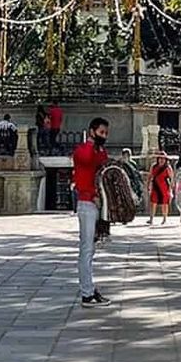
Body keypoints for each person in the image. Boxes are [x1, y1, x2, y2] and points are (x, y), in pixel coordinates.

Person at [72, 117, 111, 307]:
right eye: (101, 132)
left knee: (91, 249)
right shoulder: (83, 151)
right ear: (92, 131)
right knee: (86, 249)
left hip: (97, 204)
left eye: (106, 133)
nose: (104, 136)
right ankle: (87, 294)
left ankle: (89, 287)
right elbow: (82, 176)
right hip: (87, 204)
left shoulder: (99, 151)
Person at [146, 150, 174, 226]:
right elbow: (150, 176)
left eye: (163, 159)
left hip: (164, 187)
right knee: (153, 203)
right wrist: (148, 185)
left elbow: (171, 178)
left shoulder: (168, 168)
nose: (161, 160)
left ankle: (164, 218)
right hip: (155, 186)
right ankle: (151, 218)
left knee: (165, 204)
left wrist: (171, 189)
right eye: (160, 158)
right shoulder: (153, 166)